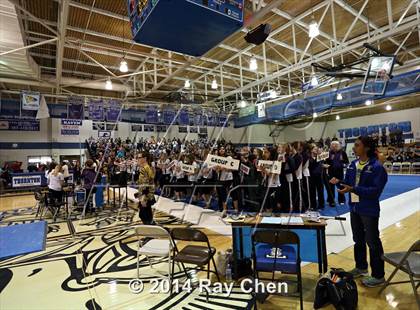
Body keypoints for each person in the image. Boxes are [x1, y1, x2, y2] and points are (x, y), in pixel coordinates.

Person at [330, 136, 388, 287]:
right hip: (354, 207)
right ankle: (361, 267)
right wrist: (339, 182)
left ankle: (378, 275)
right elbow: (349, 183)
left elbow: (375, 191)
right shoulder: (353, 164)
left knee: (373, 242)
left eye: (357, 145)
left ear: (366, 148)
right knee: (358, 239)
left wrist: (353, 189)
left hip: (369, 209)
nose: (354, 148)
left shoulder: (376, 167)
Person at [326, 141, 349, 206]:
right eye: (332, 145)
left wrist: (342, 161)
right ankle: (331, 201)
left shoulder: (343, 153)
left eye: (335, 145)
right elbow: (325, 162)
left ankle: (341, 200)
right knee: (331, 187)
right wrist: (330, 160)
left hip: (339, 173)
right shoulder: (328, 153)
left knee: (341, 186)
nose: (334, 147)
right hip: (331, 173)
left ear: (338, 146)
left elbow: (347, 162)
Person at [137, 151, 155, 225]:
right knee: (146, 213)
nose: (138, 159)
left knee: (144, 214)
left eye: (139, 157)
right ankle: (150, 226)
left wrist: (143, 197)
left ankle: (150, 228)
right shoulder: (146, 167)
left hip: (146, 194)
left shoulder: (145, 168)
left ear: (145, 158)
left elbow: (146, 183)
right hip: (146, 193)